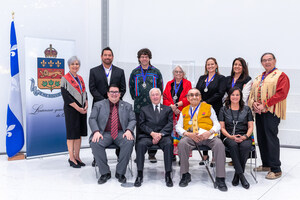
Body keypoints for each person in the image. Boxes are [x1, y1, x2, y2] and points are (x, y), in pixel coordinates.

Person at [176, 88, 228, 191]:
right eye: (191, 95)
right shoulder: (184, 110)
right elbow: (178, 126)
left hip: (207, 136)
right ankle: (185, 174)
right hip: (191, 136)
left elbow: (217, 124)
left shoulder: (208, 107)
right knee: (182, 143)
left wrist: (210, 132)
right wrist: (187, 134)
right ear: (188, 98)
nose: (194, 97)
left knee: (219, 145)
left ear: (200, 97)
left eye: (196, 95)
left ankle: (220, 177)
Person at [248, 52, 290, 180]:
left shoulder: (281, 76)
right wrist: (254, 103)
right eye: (264, 60)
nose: (267, 62)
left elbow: (282, 93)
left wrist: (265, 105)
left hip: (271, 112)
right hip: (259, 112)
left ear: (275, 60)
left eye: (269, 59)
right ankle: (266, 164)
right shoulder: (259, 77)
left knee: (271, 138)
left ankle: (276, 169)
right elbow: (251, 93)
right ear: (261, 63)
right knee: (261, 138)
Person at [89, 84, 136, 184]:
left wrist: (128, 130)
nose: (114, 94)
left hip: (121, 133)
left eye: (116, 92)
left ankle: (120, 172)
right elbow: (92, 118)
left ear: (120, 94)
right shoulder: (98, 105)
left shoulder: (127, 106)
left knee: (129, 142)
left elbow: (132, 119)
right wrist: (96, 132)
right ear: (108, 94)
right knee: (95, 142)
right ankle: (105, 172)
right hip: (103, 133)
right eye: (112, 92)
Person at [89, 47, 126, 166]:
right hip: (99, 106)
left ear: (112, 57)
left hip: (117, 106)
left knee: (118, 129)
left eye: (109, 55)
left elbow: (123, 88)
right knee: (99, 131)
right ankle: (97, 158)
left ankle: (121, 156)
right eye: (105, 55)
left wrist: (114, 99)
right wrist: (105, 101)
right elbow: (92, 88)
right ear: (101, 57)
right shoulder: (94, 71)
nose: (107, 57)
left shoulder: (120, 71)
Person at [129, 48, 163, 163]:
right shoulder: (134, 72)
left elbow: (160, 88)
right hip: (139, 107)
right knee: (139, 130)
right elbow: (131, 88)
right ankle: (139, 154)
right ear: (139, 58)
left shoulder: (156, 72)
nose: (144, 58)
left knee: (153, 129)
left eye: (146, 56)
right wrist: (137, 98)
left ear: (149, 58)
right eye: (142, 56)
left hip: (152, 107)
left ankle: (152, 154)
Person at [134, 88, 173, 187]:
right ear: (150, 97)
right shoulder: (144, 109)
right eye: (153, 95)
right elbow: (141, 124)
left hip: (163, 136)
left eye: (157, 95)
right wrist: (152, 133)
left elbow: (170, 124)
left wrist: (160, 134)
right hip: (147, 136)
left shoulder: (167, 109)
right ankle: (139, 174)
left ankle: (168, 174)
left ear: (160, 96)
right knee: (140, 144)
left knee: (169, 144)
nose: (155, 97)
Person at [219, 87, 253, 189]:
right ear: (229, 96)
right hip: (229, 136)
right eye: (233, 95)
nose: (235, 97)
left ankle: (237, 174)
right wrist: (230, 136)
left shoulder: (247, 109)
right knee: (233, 145)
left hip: (244, 136)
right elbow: (222, 128)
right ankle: (242, 176)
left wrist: (245, 136)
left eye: (237, 95)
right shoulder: (223, 109)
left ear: (241, 96)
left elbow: (251, 126)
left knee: (245, 146)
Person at [195, 57, 226, 165]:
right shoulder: (202, 78)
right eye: (208, 64)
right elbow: (197, 91)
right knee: (203, 128)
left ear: (216, 65)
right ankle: (205, 155)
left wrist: (206, 102)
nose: (210, 66)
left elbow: (220, 93)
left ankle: (214, 155)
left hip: (216, 107)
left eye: (212, 64)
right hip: (202, 109)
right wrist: (201, 102)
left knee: (214, 130)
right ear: (206, 66)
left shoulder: (221, 78)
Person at [61, 56, 88, 168]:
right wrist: (78, 108)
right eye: (72, 64)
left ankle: (77, 157)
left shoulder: (80, 78)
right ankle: (71, 158)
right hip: (72, 110)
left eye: (77, 64)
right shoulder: (65, 78)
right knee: (72, 135)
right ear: (69, 66)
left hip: (82, 110)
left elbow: (84, 92)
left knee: (79, 134)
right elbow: (66, 96)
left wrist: (86, 103)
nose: (75, 66)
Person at [163, 65, 192, 161]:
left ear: (184, 73)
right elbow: (165, 98)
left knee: (182, 135)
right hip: (171, 113)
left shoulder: (187, 83)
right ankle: (172, 155)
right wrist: (172, 107)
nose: (178, 73)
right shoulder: (169, 84)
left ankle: (183, 157)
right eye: (176, 72)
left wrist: (177, 105)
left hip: (182, 113)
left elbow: (189, 97)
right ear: (173, 73)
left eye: (180, 72)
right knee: (172, 135)